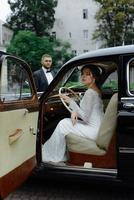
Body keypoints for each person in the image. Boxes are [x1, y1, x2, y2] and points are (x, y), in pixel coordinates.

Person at [42, 64, 104, 164]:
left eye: (87, 74)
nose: (83, 76)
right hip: (98, 128)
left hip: (93, 130)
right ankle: (60, 153)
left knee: (63, 123)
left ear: (94, 76)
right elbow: (88, 111)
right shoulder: (96, 90)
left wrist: (71, 102)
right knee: (66, 121)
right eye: (82, 74)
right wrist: (74, 107)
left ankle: (52, 155)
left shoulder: (90, 93)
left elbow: (85, 117)